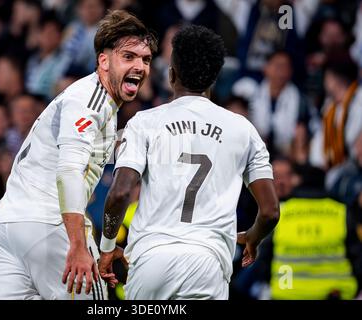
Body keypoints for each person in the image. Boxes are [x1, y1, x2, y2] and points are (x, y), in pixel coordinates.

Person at [0, 10, 157, 300]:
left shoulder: (93, 103)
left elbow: (91, 153)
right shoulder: (91, 99)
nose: (139, 66)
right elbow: (69, 171)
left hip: (6, 227)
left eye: (145, 60)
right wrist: (77, 244)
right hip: (49, 226)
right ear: (103, 60)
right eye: (129, 57)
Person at [98, 25, 279, 300]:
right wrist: (254, 236)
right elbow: (270, 211)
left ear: (171, 73)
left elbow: (121, 192)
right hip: (207, 264)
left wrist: (108, 245)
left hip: (150, 260)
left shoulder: (144, 123)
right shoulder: (243, 130)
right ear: (215, 78)